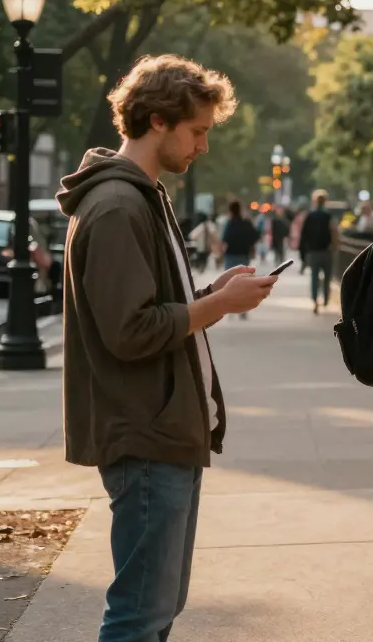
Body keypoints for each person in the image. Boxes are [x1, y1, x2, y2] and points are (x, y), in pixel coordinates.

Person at [55, 54, 277, 642]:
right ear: (157, 120)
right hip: (146, 433)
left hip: (162, 429)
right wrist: (218, 305)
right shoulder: (118, 206)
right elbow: (130, 331)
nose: (203, 146)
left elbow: (149, 311)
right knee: (140, 614)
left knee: (156, 608)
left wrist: (211, 295)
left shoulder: (140, 198)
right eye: (197, 131)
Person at [298, 190, 338, 314]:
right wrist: (334, 247)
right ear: (325, 201)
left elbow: (304, 235)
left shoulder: (310, 216)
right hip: (326, 250)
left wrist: (303, 253)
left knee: (314, 277)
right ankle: (325, 299)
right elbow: (334, 232)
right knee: (327, 277)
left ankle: (315, 300)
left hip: (313, 251)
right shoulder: (328, 216)